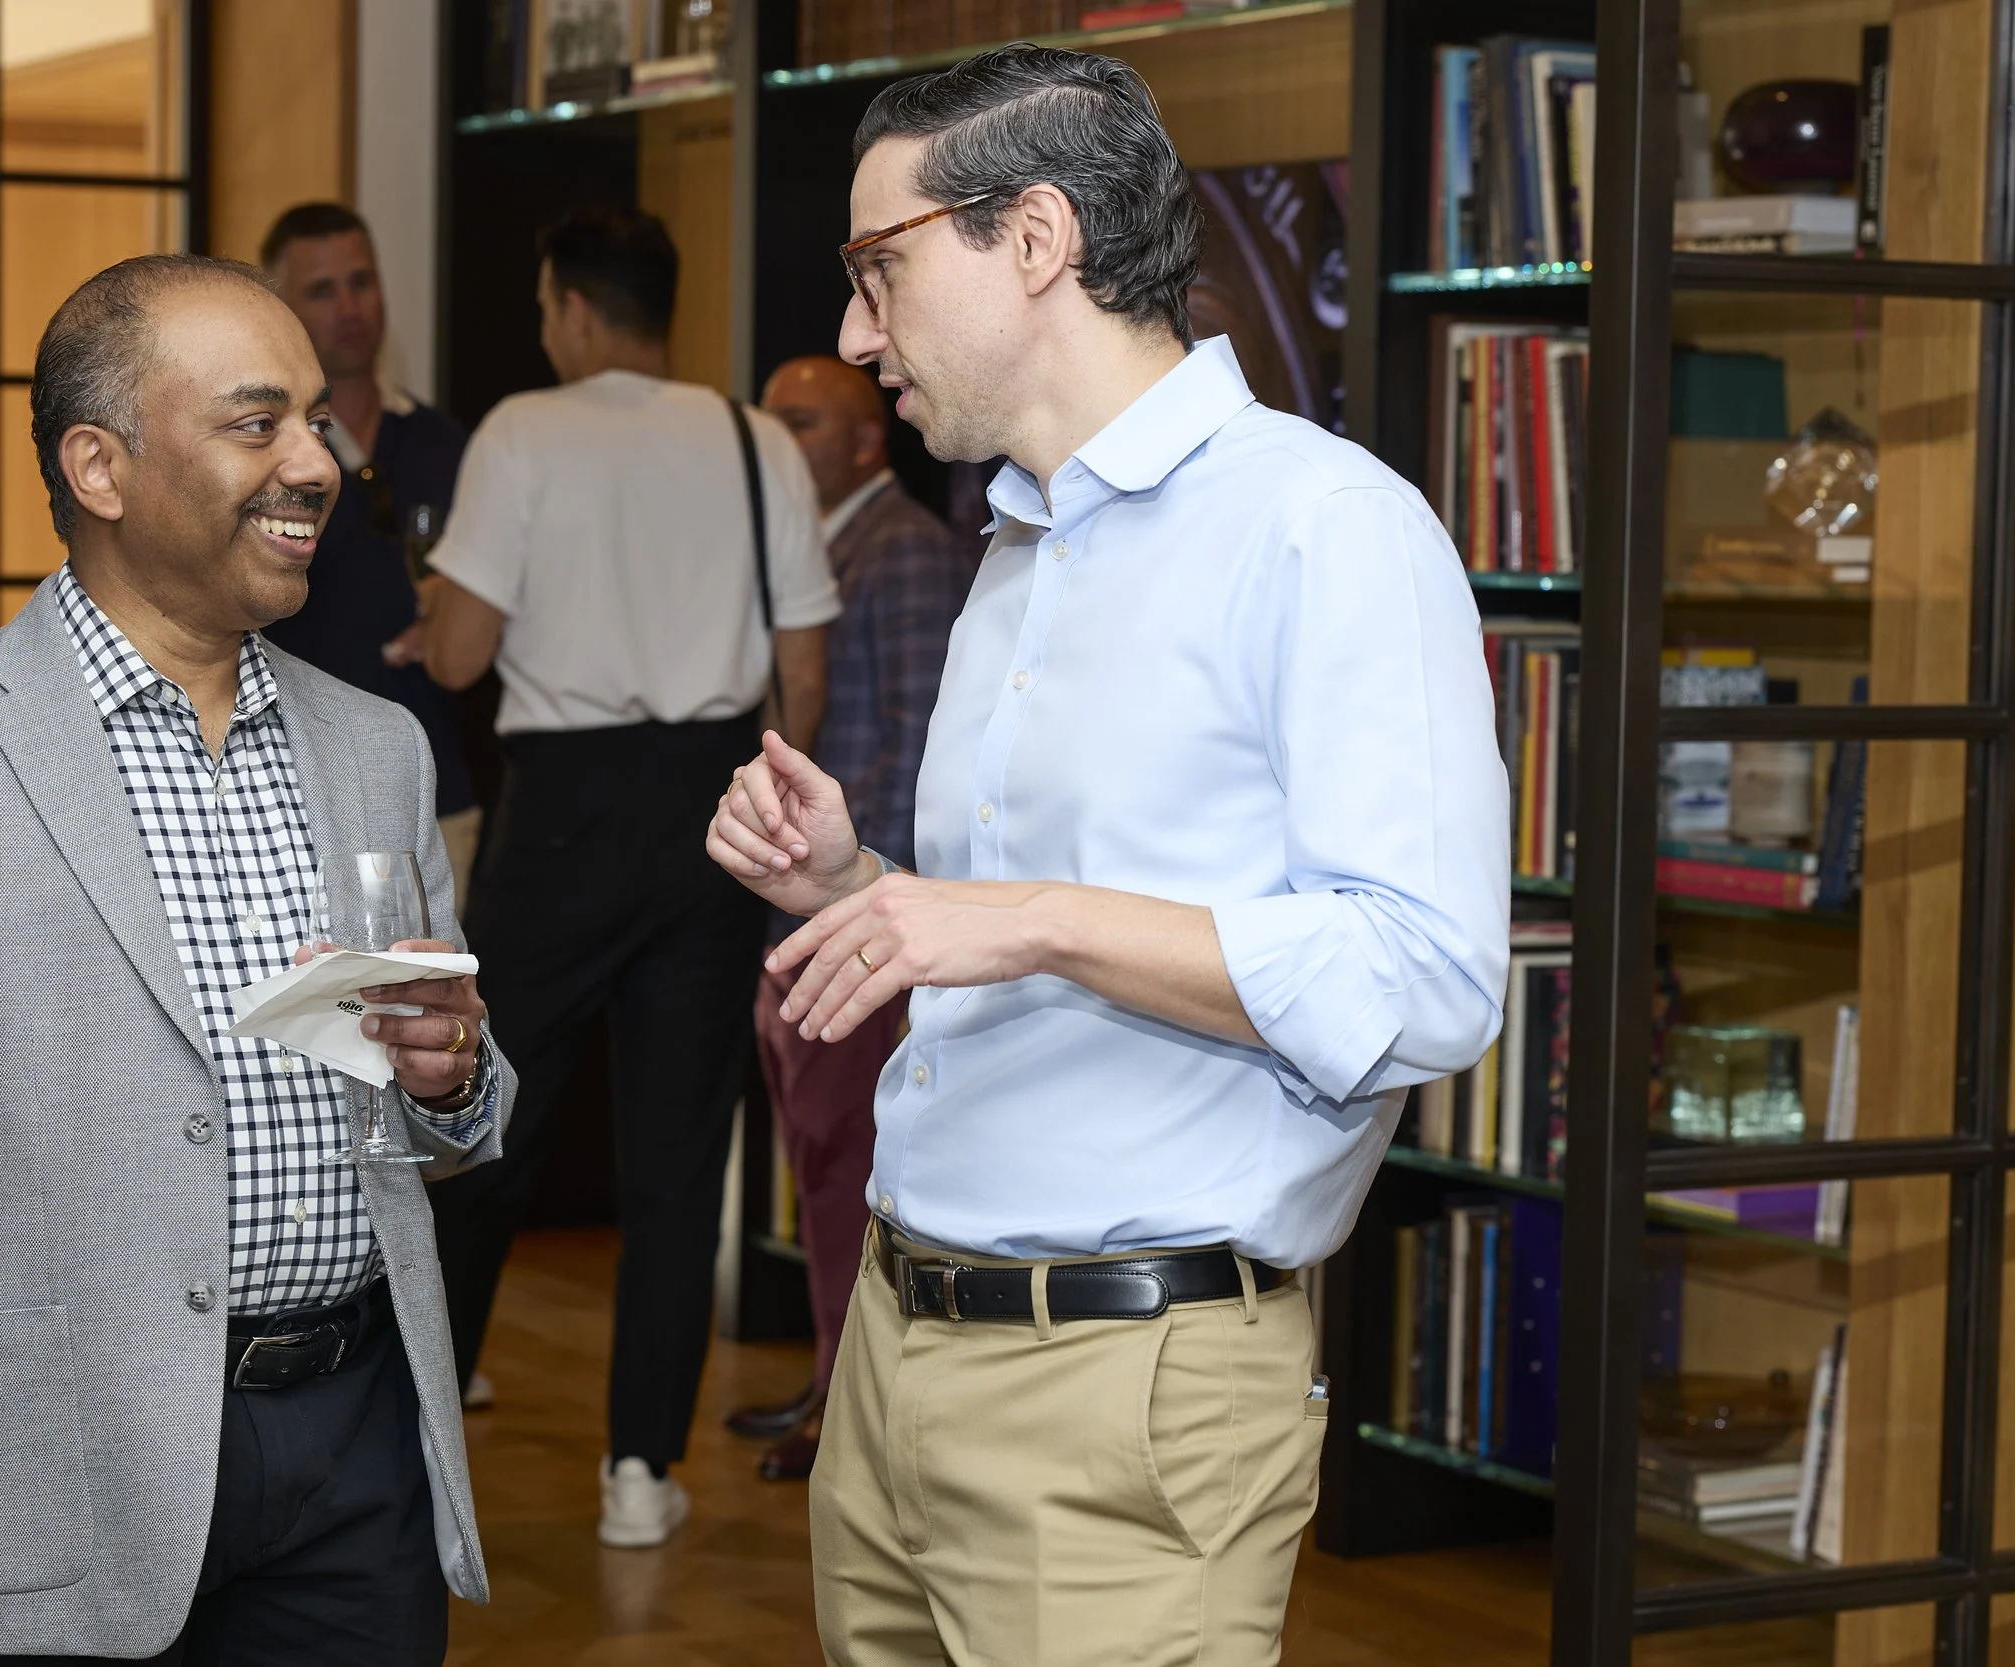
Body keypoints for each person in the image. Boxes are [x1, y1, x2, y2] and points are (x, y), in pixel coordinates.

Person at [705, 45, 1509, 1667]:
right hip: (897, 1349)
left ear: (1035, 238)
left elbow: (1427, 978)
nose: (857, 333)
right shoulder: (1022, 537)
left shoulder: (1323, 526)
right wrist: (862, 891)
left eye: (878, 268)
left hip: (1124, 1389)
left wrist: (1035, 920)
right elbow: (1010, 944)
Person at [0, 253, 516, 1667]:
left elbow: (447, 1121)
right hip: (63, 1479)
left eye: (314, 419)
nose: (316, 462)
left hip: (360, 1457)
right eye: (257, 422)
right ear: (99, 467)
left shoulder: (377, 748)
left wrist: (451, 1073)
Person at [414, 205, 840, 1548]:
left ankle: (422, 1436)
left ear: (572, 307)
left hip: (561, 811)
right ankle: (641, 1473)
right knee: (678, 1149)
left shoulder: (522, 431)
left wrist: (430, 617)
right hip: (715, 806)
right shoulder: (754, 438)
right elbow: (803, 671)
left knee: (479, 1115)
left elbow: (460, 655)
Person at [722, 355, 975, 1482]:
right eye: (770, 421)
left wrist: (854, 896)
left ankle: (849, 1401)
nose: (779, 439)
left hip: (867, 924)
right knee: (819, 1162)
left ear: (870, 441)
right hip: (813, 913)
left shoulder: (904, 546)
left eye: (806, 422)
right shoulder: (813, 543)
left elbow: (920, 748)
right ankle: (835, 1377)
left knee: (845, 1166)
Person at [256, 201, 483, 901]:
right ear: (282, 310)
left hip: (434, 782)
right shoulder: (260, 452)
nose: (350, 308)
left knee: (429, 969)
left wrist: (451, 618)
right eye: (323, 290)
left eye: (362, 282)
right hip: (288, 783)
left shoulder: (444, 443)